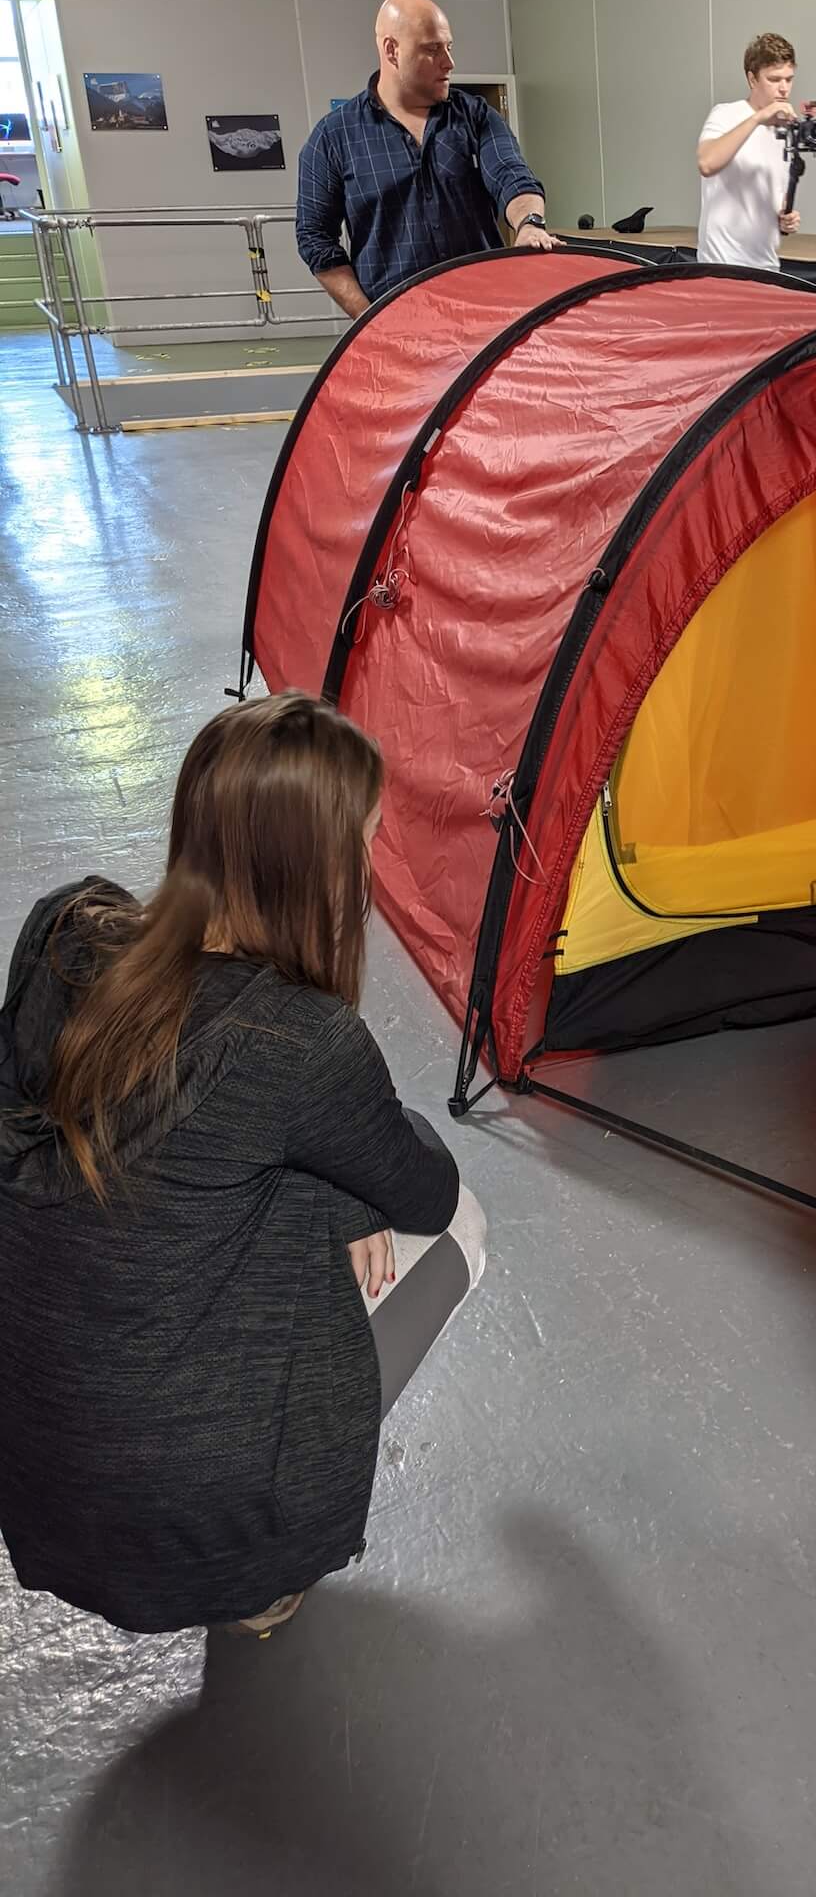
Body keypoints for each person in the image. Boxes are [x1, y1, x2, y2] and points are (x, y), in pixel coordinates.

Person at [0, 693, 487, 1636]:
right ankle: (258, 1576)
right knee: (466, 1230)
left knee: (287, 1184)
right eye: (365, 841)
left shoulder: (64, 929)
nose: (370, 867)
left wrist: (334, 1196)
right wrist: (350, 1200)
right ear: (313, 869)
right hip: (180, 1519)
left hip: (39, 1468)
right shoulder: (300, 1042)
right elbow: (427, 1192)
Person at [296, 0, 554, 318]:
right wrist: (371, 320)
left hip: (486, 317)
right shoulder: (333, 137)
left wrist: (529, 224)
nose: (449, 62)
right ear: (392, 50)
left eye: (449, 47)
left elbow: (511, 175)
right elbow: (315, 239)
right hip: (399, 325)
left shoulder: (475, 117)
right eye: (432, 50)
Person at [696, 32, 802, 271]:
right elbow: (706, 163)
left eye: (789, 79)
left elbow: (772, 197)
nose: (784, 89)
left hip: (767, 265)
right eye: (774, 79)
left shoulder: (784, 131)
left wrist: (785, 218)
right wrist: (758, 119)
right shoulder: (726, 114)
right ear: (752, 79)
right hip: (721, 264)